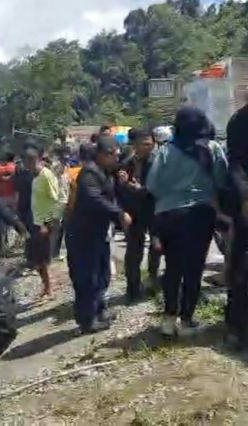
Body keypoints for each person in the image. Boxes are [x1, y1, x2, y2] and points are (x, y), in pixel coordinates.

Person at [147, 106, 228, 337]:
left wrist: (171, 195)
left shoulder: (165, 152)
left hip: (168, 216)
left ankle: (168, 319)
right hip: (200, 215)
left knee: (172, 267)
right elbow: (222, 181)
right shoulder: (212, 148)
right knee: (194, 268)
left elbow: (152, 185)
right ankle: (187, 320)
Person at [66, 136, 132, 334]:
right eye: (114, 156)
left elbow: (110, 195)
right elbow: (94, 199)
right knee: (88, 278)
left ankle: (100, 311)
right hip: (83, 235)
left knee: (102, 275)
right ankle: (87, 320)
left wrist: (122, 183)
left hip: (98, 233)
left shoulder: (105, 172)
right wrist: (119, 214)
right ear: (103, 155)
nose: (117, 159)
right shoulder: (89, 174)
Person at [117, 129, 160, 304]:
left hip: (155, 210)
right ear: (135, 145)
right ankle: (133, 288)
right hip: (134, 212)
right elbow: (118, 190)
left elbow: (159, 188)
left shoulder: (158, 162)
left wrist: (140, 189)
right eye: (144, 144)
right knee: (134, 251)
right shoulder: (126, 164)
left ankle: (152, 279)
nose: (148, 147)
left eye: (150, 144)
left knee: (157, 248)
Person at [225, 102, 248, 347]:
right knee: (242, 269)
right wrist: (244, 197)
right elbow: (236, 165)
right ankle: (236, 326)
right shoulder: (241, 121)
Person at [29, 149, 61, 300]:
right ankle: (46, 287)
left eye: (30, 161)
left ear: (36, 160)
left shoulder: (46, 175)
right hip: (37, 221)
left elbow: (56, 199)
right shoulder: (35, 177)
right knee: (36, 259)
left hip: (45, 223)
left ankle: (50, 289)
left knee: (43, 258)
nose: (27, 165)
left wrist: (48, 223)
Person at [16, 145, 38, 268]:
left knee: (32, 234)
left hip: (32, 207)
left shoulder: (36, 173)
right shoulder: (22, 172)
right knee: (29, 234)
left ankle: (34, 260)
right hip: (25, 206)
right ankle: (30, 258)